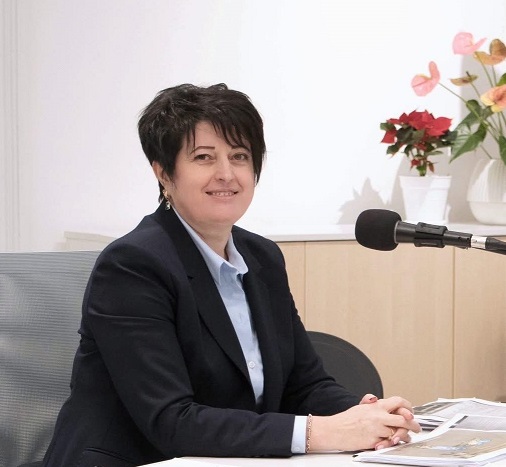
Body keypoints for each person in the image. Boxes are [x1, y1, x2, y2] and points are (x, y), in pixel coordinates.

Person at [42, 83, 420, 467]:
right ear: (164, 174)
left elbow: (304, 384)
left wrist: (367, 416)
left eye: (239, 156)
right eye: (204, 157)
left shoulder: (262, 257)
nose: (226, 174)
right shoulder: (133, 265)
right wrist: (320, 432)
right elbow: (172, 421)